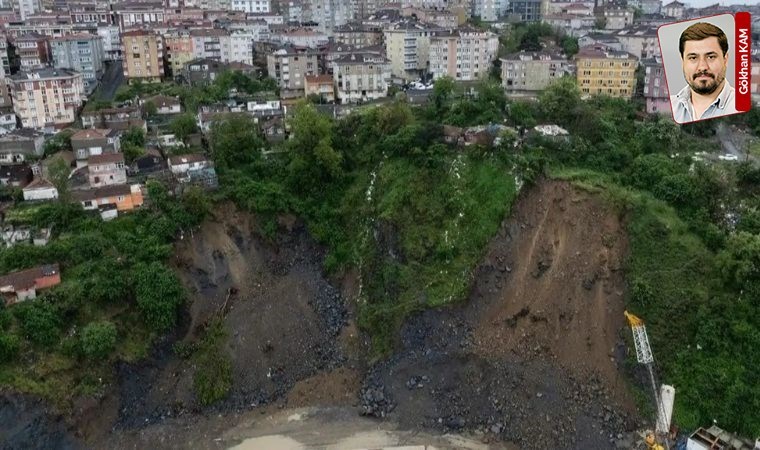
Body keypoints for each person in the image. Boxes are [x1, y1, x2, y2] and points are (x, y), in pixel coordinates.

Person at [670, 22, 737, 124]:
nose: (702, 67)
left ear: (725, 59)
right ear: (682, 61)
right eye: (693, 58)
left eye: (711, 57)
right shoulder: (670, 107)